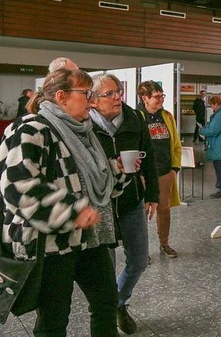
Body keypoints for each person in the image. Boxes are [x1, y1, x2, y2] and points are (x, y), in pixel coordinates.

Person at [0, 68, 133, 336]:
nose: (92, 101)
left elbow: (93, 184)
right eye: (86, 94)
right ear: (61, 96)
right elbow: (17, 187)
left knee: (106, 303)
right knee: (54, 318)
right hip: (52, 246)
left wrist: (117, 170)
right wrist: (71, 211)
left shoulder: (85, 132)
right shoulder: (30, 129)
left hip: (90, 239)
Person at [90, 74, 160, 334]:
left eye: (118, 91)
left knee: (139, 260)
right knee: (105, 268)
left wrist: (152, 193)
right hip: (102, 205)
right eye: (109, 93)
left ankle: (119, 301)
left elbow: (149, 156)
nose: (117, 96)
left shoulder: (134, 118)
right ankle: (108, 309)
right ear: (94, 101)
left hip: (131, 199)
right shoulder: (85, 125)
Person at [137, 81, 182, 259]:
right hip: (141, 175)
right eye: (157, 96)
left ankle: (164, 243)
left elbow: (176, 145)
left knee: (164, 209)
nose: (161, 99)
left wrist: (174, 170)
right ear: (144, 98)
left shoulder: (168, 117)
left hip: (164, 173)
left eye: (162, 96)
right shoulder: (136, 116)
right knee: (140, 212)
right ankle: (141, 251)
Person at [200, 95, 221, 198]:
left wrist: (201, 130)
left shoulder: (219, 115)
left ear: (215, 104)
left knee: (220, 167)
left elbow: (213, 130)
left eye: (212, 105)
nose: (212, 107)